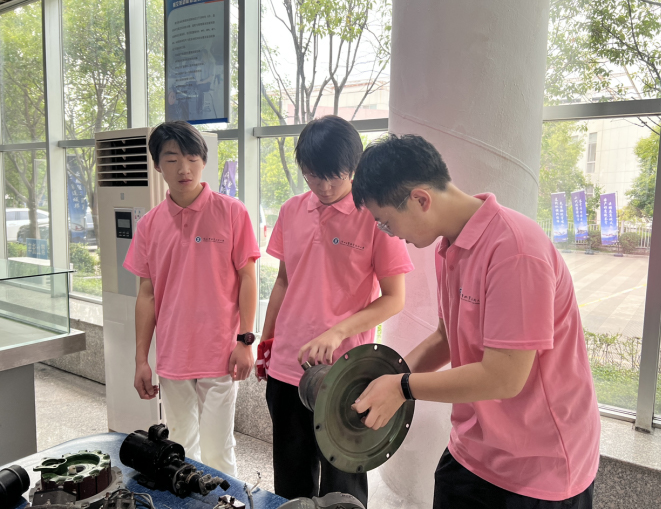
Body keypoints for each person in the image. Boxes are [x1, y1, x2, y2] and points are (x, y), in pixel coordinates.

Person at [350, 134, 600, 508]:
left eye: (387, 223)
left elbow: (505, 377)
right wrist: (388, 376)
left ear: (420, 199)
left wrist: (402, 387)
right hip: (474, 447)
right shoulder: (449, 248)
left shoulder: (514, 251)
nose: (392, 235)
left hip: (538, 466)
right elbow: (446, 337)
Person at [258, 116, 414, 507]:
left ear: (354, 167)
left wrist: (338, 331)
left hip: (346, 375)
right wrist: (266, 340)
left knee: (343, 492)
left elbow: (394, 298)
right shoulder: (291, 211)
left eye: (336, 176)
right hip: (287, 369)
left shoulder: (375, 216)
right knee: (290, 484)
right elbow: (283, 281)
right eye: (314, 176)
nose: (325, 186)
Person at [124, 121, 260, 477]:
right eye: (171, 159)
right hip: (174, 355)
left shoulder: (232, 212)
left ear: (203, 161)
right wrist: (141, 359)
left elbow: (248, 278)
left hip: (220, 353)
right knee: (180, 449)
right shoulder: (149, 225)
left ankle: (224, 501)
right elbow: (147, 294)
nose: (183, 168)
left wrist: (246, 340)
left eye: (191, 158)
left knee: (218, 451)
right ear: (158, 165)